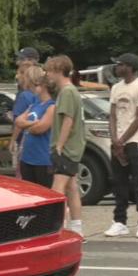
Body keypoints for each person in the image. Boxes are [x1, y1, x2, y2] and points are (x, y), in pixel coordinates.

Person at [103, 53, 138, 238]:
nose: (117, 67)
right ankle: (120, 221)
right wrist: (115, 139)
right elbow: (113, 115)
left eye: (121, 64)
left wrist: (123, 140)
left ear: (130, 67)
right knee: (119, 182)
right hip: (117, 142)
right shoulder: (116, 87)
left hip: (134, 141)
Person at [46, 55, 86, 238]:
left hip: (67, 148)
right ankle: (77, 228)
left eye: (49, 71)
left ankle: (58, 227)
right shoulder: (70, 91)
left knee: (58, 188)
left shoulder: (67, 92)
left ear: (57, 71)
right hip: (74, 147)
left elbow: (68, 120)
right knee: (72, 187)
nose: (47, 75)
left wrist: (59, 146)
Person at [15, 66, 55, 188]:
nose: (34, 87)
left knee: (44, 193)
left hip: (43, 159)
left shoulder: (52, 106)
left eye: (37, 85)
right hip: (27, 158)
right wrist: (32, 123)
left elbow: (40, 128)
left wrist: (27, 126)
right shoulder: (34, 104)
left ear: (44, 87)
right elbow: (18, 121)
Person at [10, 62, 38, 175]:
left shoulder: (24, 96)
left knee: (21, 174)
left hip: (23, 141)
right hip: (38, 142)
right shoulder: (42, 96)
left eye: (20, 73)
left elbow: (19, 123)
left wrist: (12, 140)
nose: (17, 76)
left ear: (27, 77)